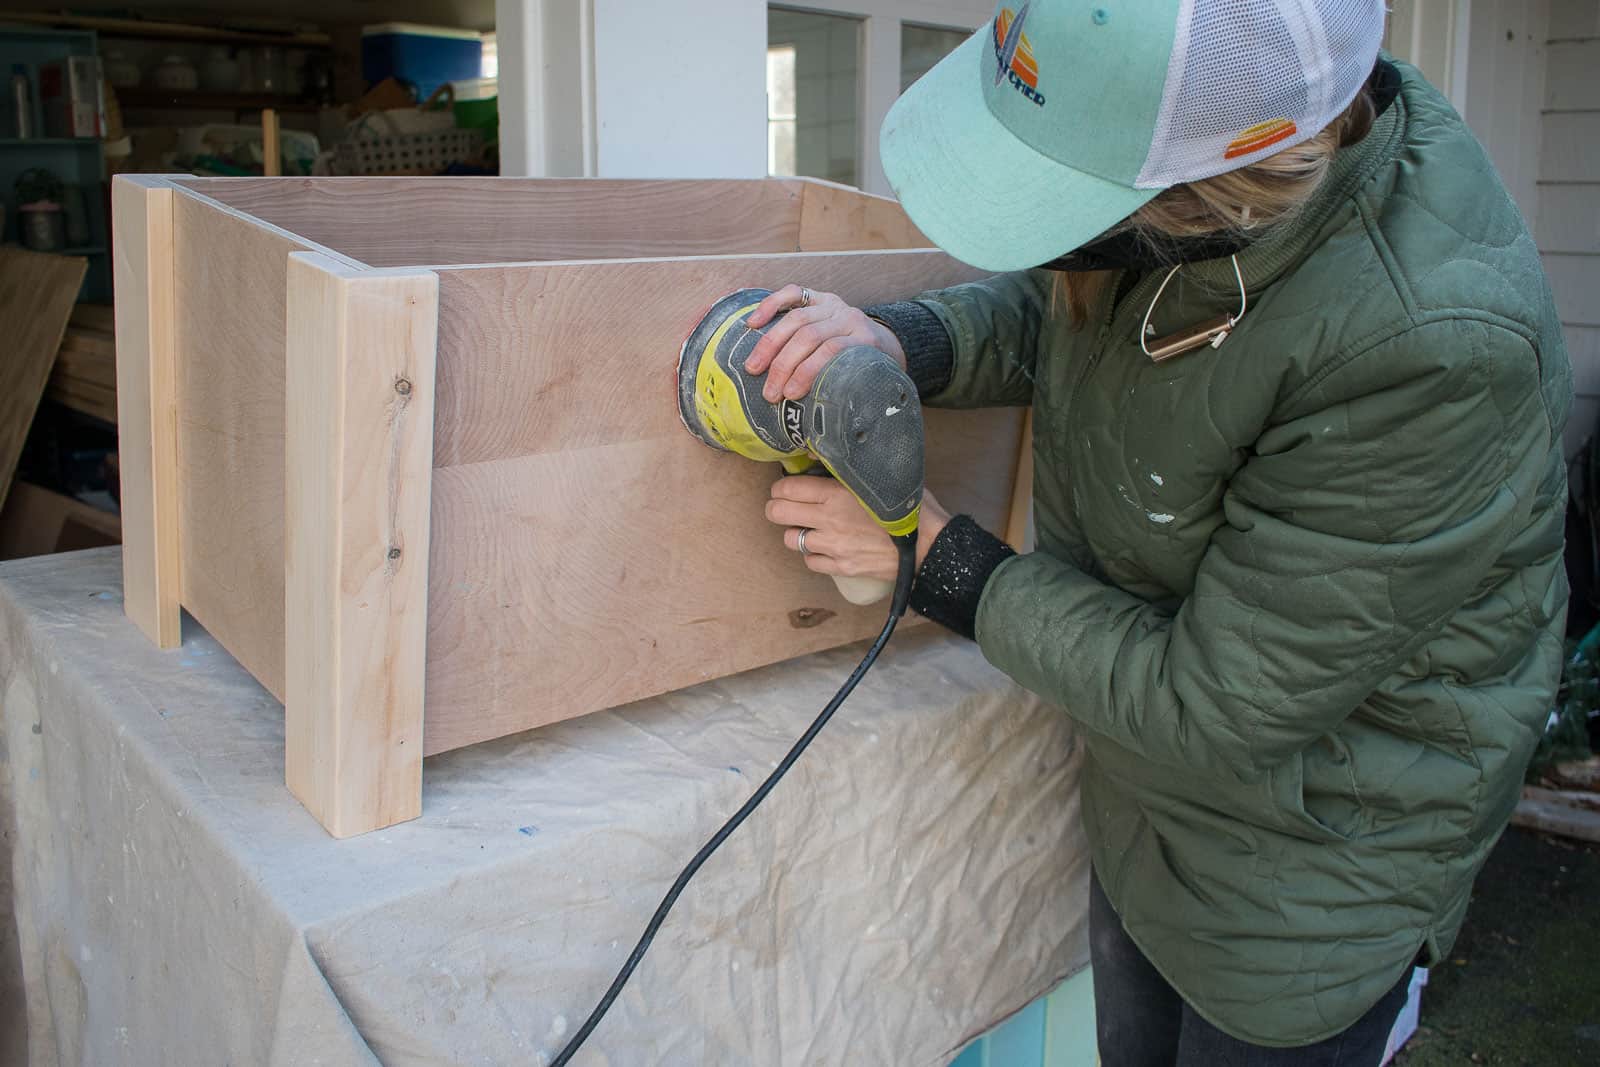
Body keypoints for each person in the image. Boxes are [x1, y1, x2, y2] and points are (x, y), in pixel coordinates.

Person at [744, 1, 1571, 1064]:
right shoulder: (1258, 143)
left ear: (1220, 198)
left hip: (1313, 865)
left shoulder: (1428, 349)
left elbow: (1219, 699)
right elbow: (1082, 297)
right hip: (1154, 804)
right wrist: (901, 343)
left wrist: (937, 562)